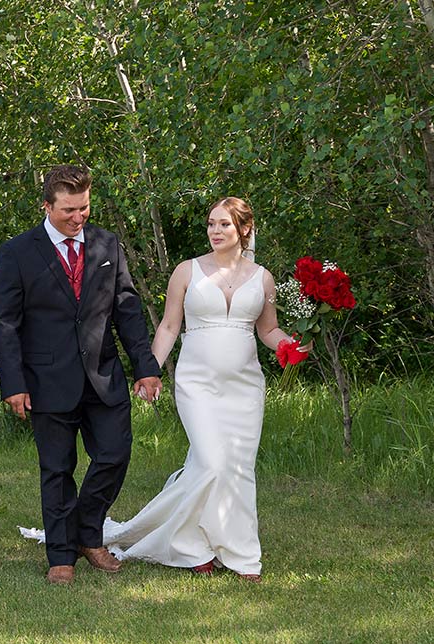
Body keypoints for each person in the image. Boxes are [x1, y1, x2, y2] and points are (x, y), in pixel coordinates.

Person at [94, 197, 303, 581]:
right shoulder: (186, 272)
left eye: (224, 224)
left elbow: (268, 330)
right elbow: (170, 326)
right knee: (209, 463)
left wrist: (291, 345)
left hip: (244, 386)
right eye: (211, 224)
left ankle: (240, 555)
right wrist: (149, 371)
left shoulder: (263, 278)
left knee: (238, 469)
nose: (215, 231)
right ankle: (190, 547)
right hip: (197, 384)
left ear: (244, 229)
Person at [0, 165, 162, 585]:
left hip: (104, 377)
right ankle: (61, 555)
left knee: (114, 454)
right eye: (68, 209)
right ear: (47, 206)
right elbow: (7, 324)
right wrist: (13, 384)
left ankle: (86, 533)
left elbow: (127, 308)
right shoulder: (18, 252)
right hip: (46, 380)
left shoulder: (107, 244)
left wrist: (145, 367)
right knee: (57, 468)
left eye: (83, 208)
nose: (78, 217)